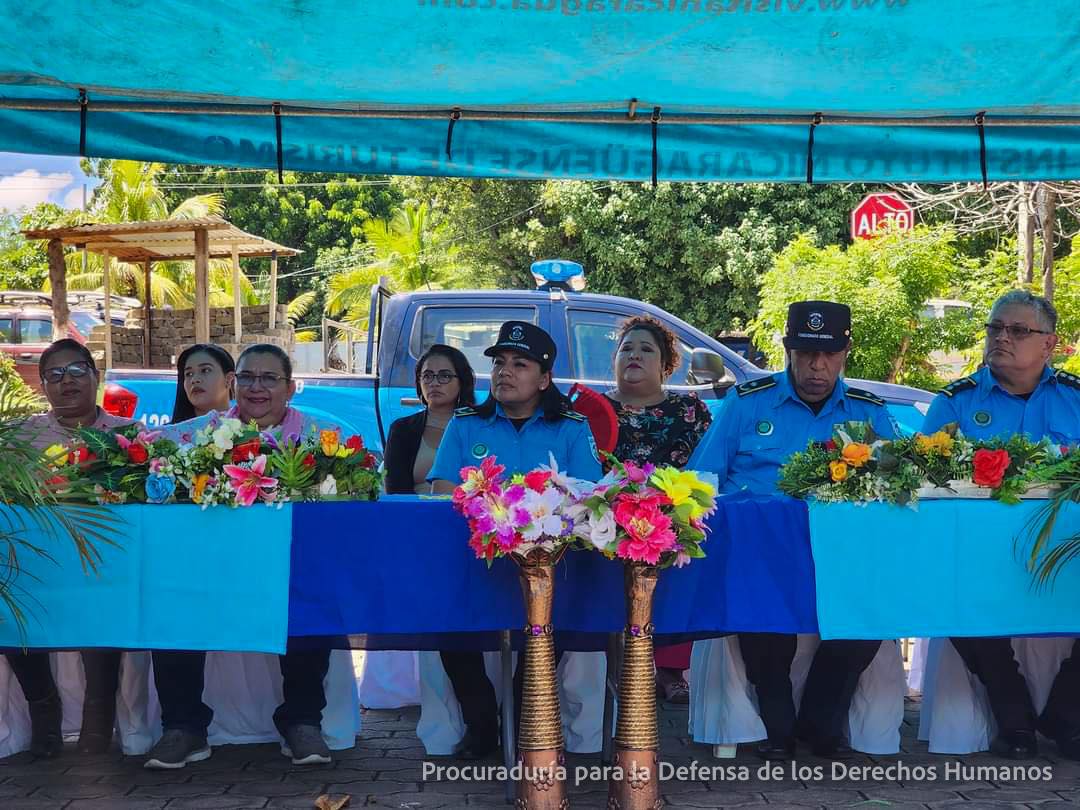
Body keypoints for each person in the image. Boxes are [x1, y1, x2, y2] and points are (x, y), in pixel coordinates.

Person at [688, 301, 898, 760]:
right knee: (760, 611)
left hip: (840, 554)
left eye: (826, 355)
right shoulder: (747, 403)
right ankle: (778, 726)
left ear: (844, 353)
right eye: (804, 353)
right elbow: (700, 479)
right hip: (761, 552)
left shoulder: (870, 414)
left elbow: (900, 488)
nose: (815, 366)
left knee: (868, 613)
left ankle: (820, 726)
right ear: (787, 351)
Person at [148, 344, 338, 769]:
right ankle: (183, 727)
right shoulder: (199, 433)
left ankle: (302, 722)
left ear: (290, 388)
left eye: (269, 379)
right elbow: (149, 458)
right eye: (248, 377)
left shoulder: (320, 438)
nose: (257, 387)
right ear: (234, 384)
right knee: (172, 599)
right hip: (212, 568)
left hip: (287, 567)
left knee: (314, 596)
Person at [428, 321, 602, 759]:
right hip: (476, 558)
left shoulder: (571, 428)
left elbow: (588, 495)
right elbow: (443, 488)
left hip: (551, 562)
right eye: (499, 363)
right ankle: (483, 723)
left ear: (544, 379)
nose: (504, 372)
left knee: (547, 635)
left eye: (519, 364)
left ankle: (525, 723)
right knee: (450, 630)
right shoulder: (467, 424)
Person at [922, 290, 1080, 760]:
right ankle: (1014, 717)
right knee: (952, 593)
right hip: (979, 554)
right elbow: (925, 479)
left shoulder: (1075, 398)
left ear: (1048, 344)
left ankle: (1065, 714)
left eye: (1017, 330)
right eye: (995, 328)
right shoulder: (956, 403)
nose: (1002, 338)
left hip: (1066, 553)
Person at [5, 339, 130, 756]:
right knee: (11, 606)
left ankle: (98, 716)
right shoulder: (18, 439)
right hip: (38, 562)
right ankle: (44, 709)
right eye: (54, 375)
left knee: (107, 607)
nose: (66, 381)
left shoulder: (127, 437)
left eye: (76, 370)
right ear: (43, 386)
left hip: (105, 563)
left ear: (96, 377)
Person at [604, 315, 712, 703]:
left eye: (646, 349)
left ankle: (670, 669)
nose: (634, 355)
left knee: (685, 550)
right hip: (604, 517)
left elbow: (707, 467)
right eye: (626, 348)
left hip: (671, 514)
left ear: (666, 364)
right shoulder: (591, 407)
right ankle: (609, 660)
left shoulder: (689, 409)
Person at [383, 344, 476, 495]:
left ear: (462, 381)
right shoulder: (402, 429)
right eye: (427, 376)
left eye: (444, 376)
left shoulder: (481, 426)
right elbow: (396, 493)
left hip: (472, 514)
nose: (434, 383)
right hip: (416, 514)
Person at [171, 344, 235, 422]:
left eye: (205, 370)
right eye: (189, 374)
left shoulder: (249, 430)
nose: (194, 380)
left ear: (228, 379)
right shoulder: (165, 433)